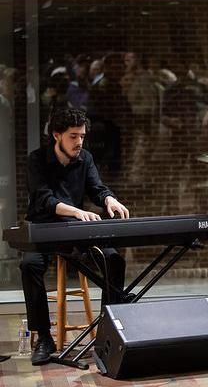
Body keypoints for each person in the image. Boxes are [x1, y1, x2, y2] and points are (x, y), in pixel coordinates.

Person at [20, 108, 129, 365]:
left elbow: (96, 188)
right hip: (44, 227)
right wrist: (77, 211)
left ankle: (109, 332)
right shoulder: (36, 160)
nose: (79, 142)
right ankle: (45, 338)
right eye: (73, 136)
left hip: (75, 228)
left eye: (82, 136)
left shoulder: (85, 158)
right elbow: (44, 199)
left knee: (114, 261)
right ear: (56, 135)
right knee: (29, 265)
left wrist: (109, 199)